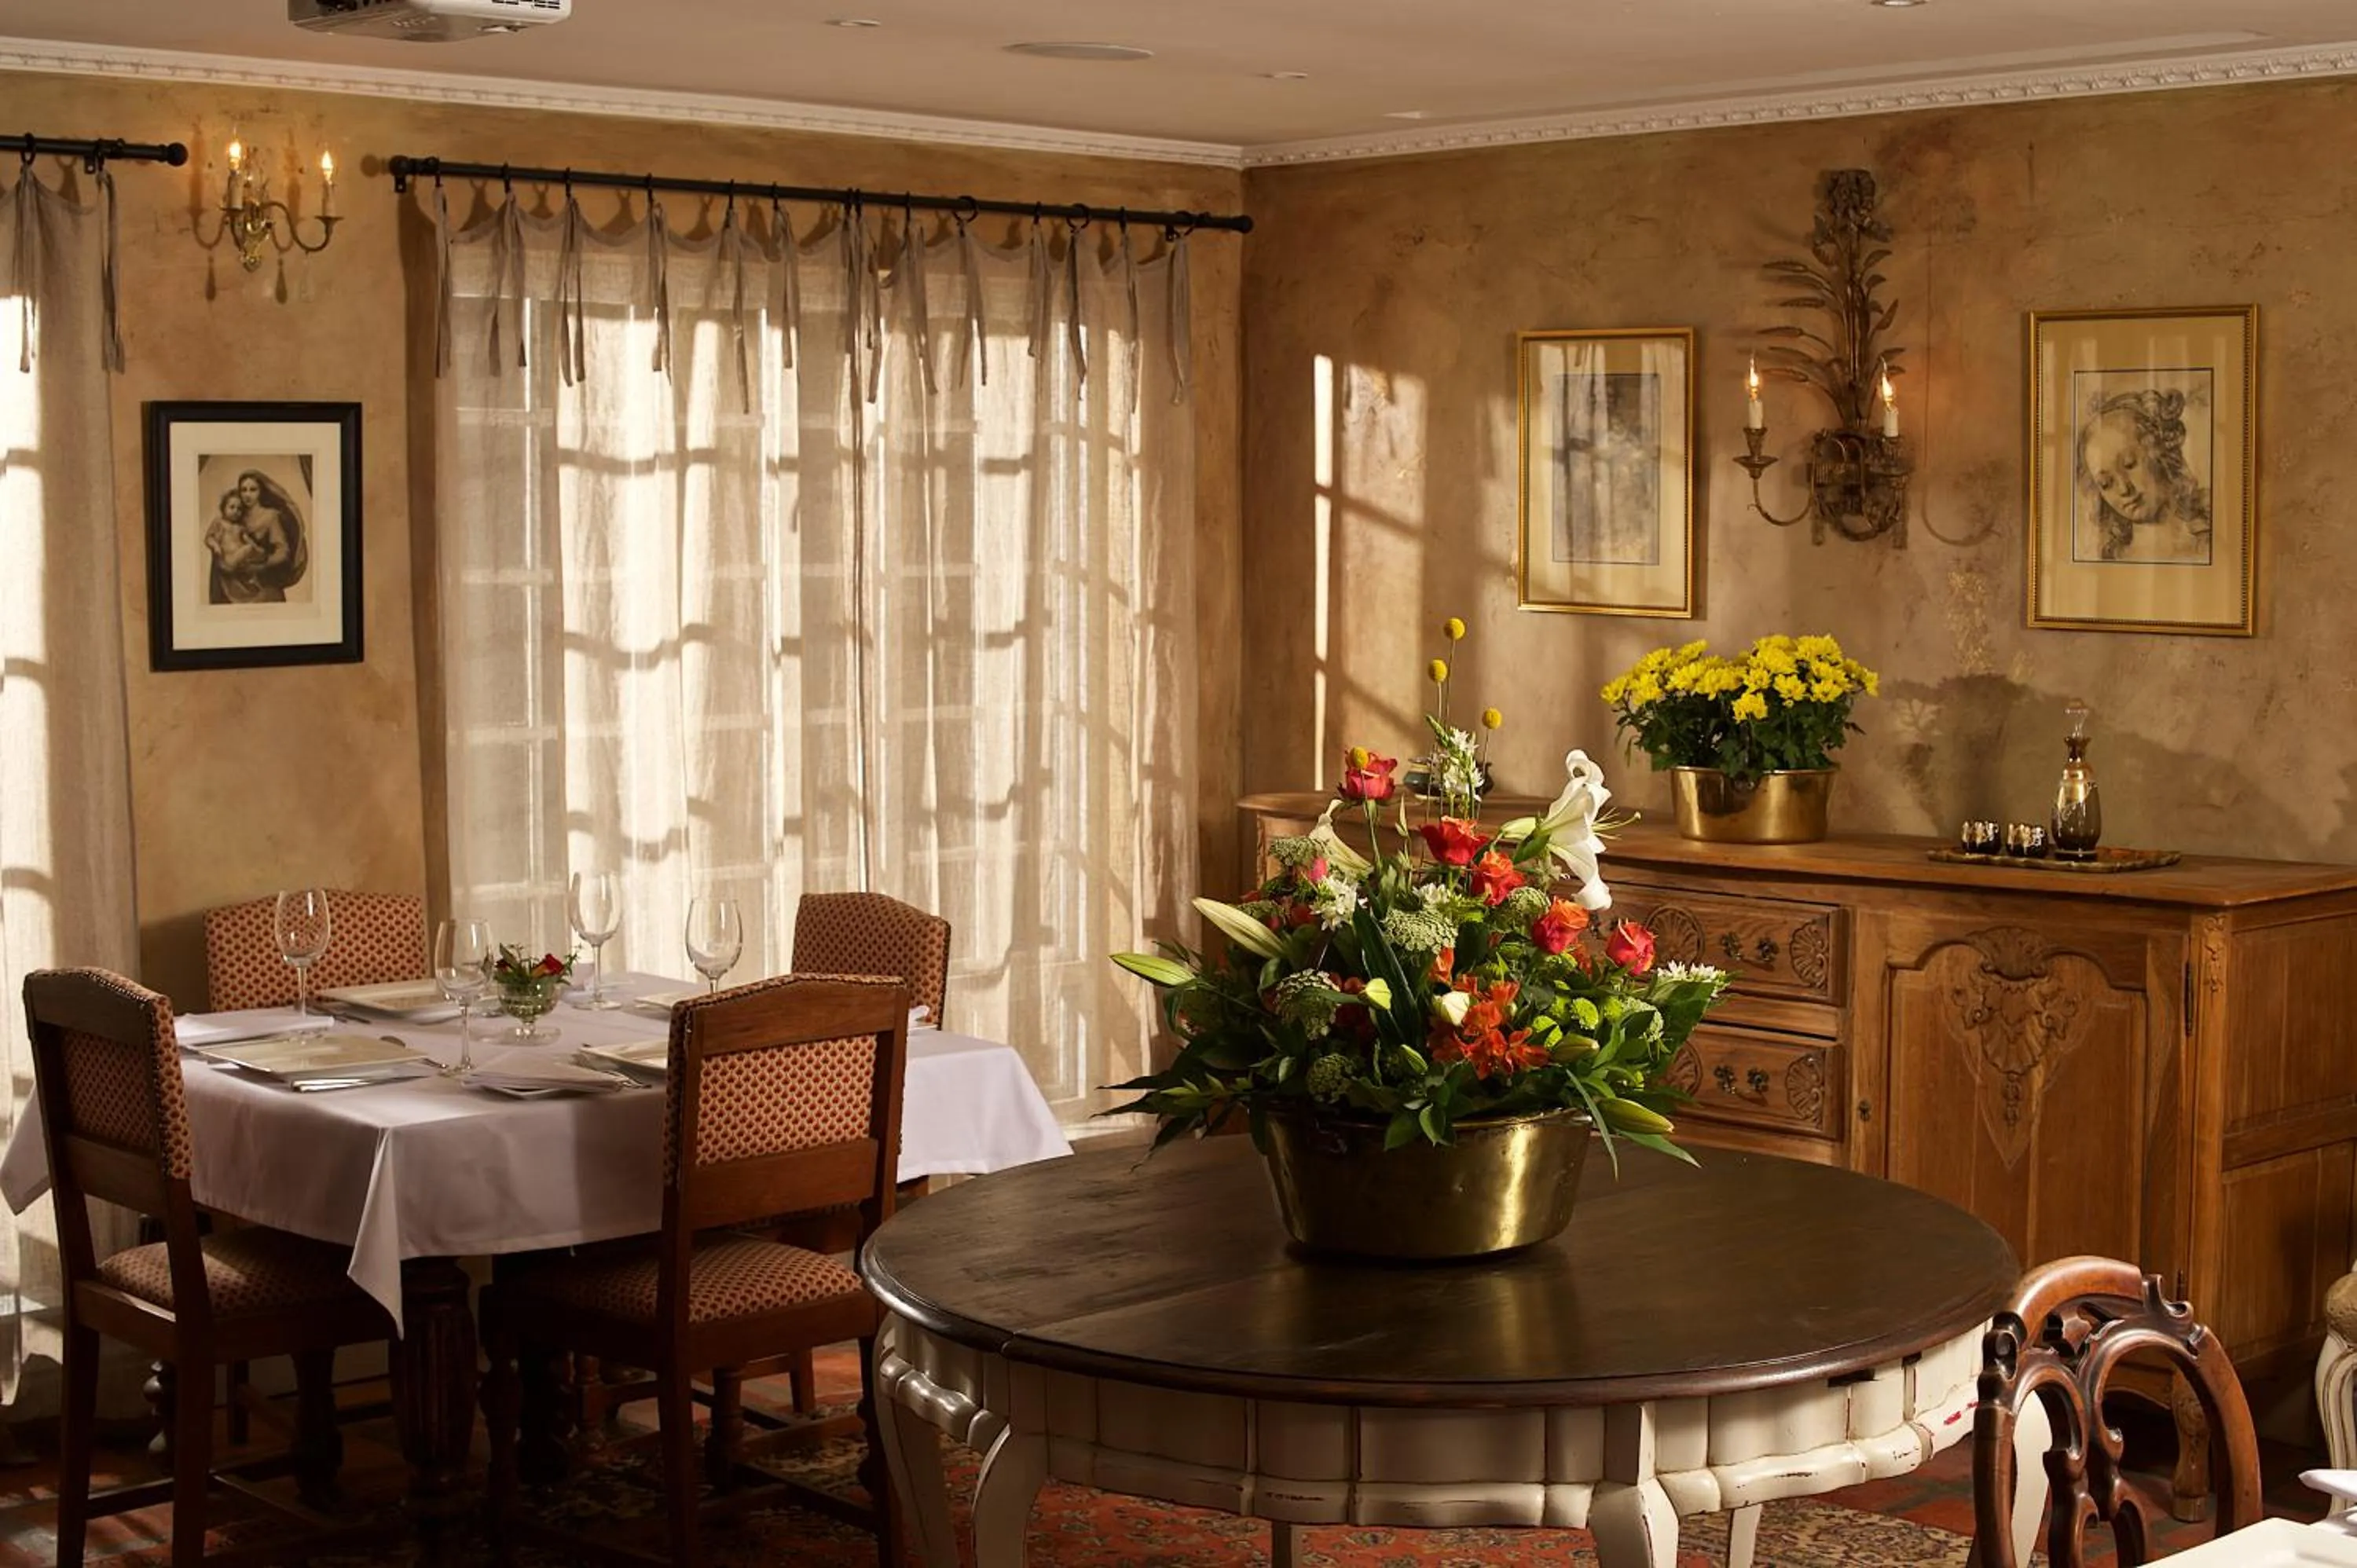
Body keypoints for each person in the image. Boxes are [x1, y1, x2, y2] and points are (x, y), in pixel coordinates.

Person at [2075, 389, 2212, 562]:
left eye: (2130, 465)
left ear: (2160, 451)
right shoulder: (2111, 556)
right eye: (2106, 483)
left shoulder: (2208, 545)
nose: (2125, 489)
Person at [234, 468, 311, 596]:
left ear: (261, 491)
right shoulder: (236, 516)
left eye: (253, 490)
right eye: (244, 490)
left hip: (264, 582)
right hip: (237, 581)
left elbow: (283, 552)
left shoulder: (271, 516)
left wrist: (260, 567)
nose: (247, 495)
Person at [203, 489, 273, 604]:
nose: (236, 511)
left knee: (250, 550)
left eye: (239, 509)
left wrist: (255, 548)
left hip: (238, 561)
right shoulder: (219, 523)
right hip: (226, 559)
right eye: (232, 507)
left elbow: (248, 540)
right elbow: (208, 538)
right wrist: (216, 546)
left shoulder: (240, 527)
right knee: (247, 550)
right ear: (223, 508)